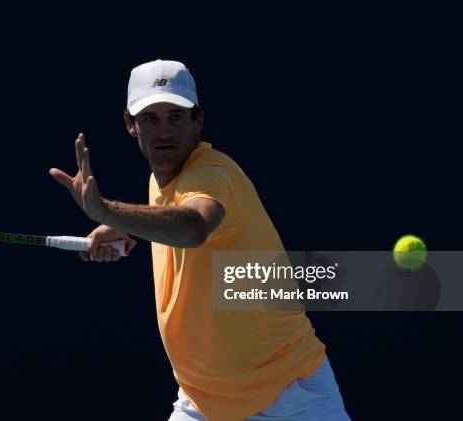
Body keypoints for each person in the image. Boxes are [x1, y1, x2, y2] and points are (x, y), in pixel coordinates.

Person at [50, 59, 351, 421]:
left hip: (286, 396)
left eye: (176, 116)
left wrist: (106, 212)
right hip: (203, 399)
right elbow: (172, 219)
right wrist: (129, 229)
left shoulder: (214, 174)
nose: (164, 131)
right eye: (151, 118)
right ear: (131, 125)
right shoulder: (161, 182)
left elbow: (194, 226)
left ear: (198, 121)